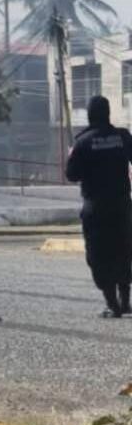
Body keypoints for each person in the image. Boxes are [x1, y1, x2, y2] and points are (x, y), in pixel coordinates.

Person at [67, 95, 132, 318]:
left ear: (89, 114)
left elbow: (71, 175)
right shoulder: (122, 137)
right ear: (108, 112)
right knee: (123, 251)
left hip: (96, 208)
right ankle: (125, 301)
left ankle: (112, 304)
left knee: (99, 255)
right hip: (122, 206)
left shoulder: (83, 142)